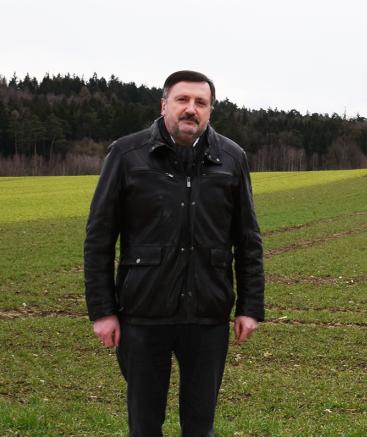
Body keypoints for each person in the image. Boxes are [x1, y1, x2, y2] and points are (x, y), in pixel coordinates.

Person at [84, 70, 265, 436]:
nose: (191, 109)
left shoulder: (231, 158)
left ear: (210, 110)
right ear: (164, 104)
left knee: (200, 425)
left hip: (208, 314)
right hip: (143, 314)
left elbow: (248, 239)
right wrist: (103, 311)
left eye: (201, 103)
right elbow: (99, 238)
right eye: (183, 100)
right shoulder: (126, 155)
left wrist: (249, 306)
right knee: (145, 424)